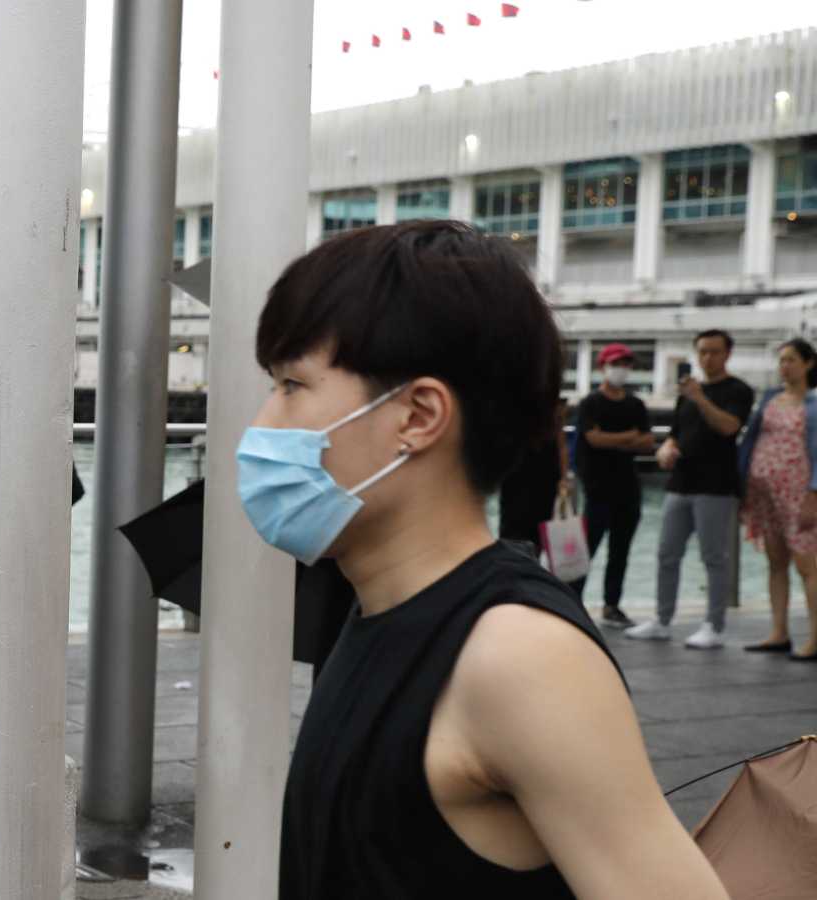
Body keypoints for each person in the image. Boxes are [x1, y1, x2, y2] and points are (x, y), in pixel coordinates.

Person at [240, 221, 726, 899]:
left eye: (291, 385)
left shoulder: (516, 655)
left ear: (417, 416)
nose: (262, 423)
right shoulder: (372, 608)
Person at [626, 330, 755, 649]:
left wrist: (700, 397)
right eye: (702, 352)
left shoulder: (737, 390)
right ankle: (662, 619)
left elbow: (728, 426)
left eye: (714, 351)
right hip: (680, 483)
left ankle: (714, 625)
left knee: (714, 557)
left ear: (727, 354)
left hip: (716, 486)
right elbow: (675, 433)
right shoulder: (686, 395)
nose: (707, 358)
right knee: (667, 553)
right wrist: (664, 449)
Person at [737, 338, 817, 660]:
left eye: (791, 360)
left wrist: (814, 493)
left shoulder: (813, 403)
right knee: (776, 562)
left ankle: (815, 637)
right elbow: (752, 439)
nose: (784, 366)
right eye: (781, 360)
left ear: (808, 363)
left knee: (808, 565)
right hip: (765, 493)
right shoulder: (770, 398)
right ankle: (778, 631)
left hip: (798, 492)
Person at [571, 343, 652, 628]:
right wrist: (628, 437)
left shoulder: (636, 404)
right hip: (597, 489)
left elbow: (647, 441)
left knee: (621, 550)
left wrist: (613, 439)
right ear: (603, 366)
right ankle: (572, 603)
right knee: (586, 549)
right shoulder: (590, 403)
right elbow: (593, 439)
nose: (622, 369)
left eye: (627, 364)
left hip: (628, 488)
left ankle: (612, 605)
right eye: (617, 363)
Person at [496, 398, 569, 561]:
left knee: (538, 535)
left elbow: (561, 445)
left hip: (546, 480)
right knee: (513, 535)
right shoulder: (509, 407)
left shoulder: (553, 408)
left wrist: (564, 479)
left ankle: (529, 570)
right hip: (516, 480)